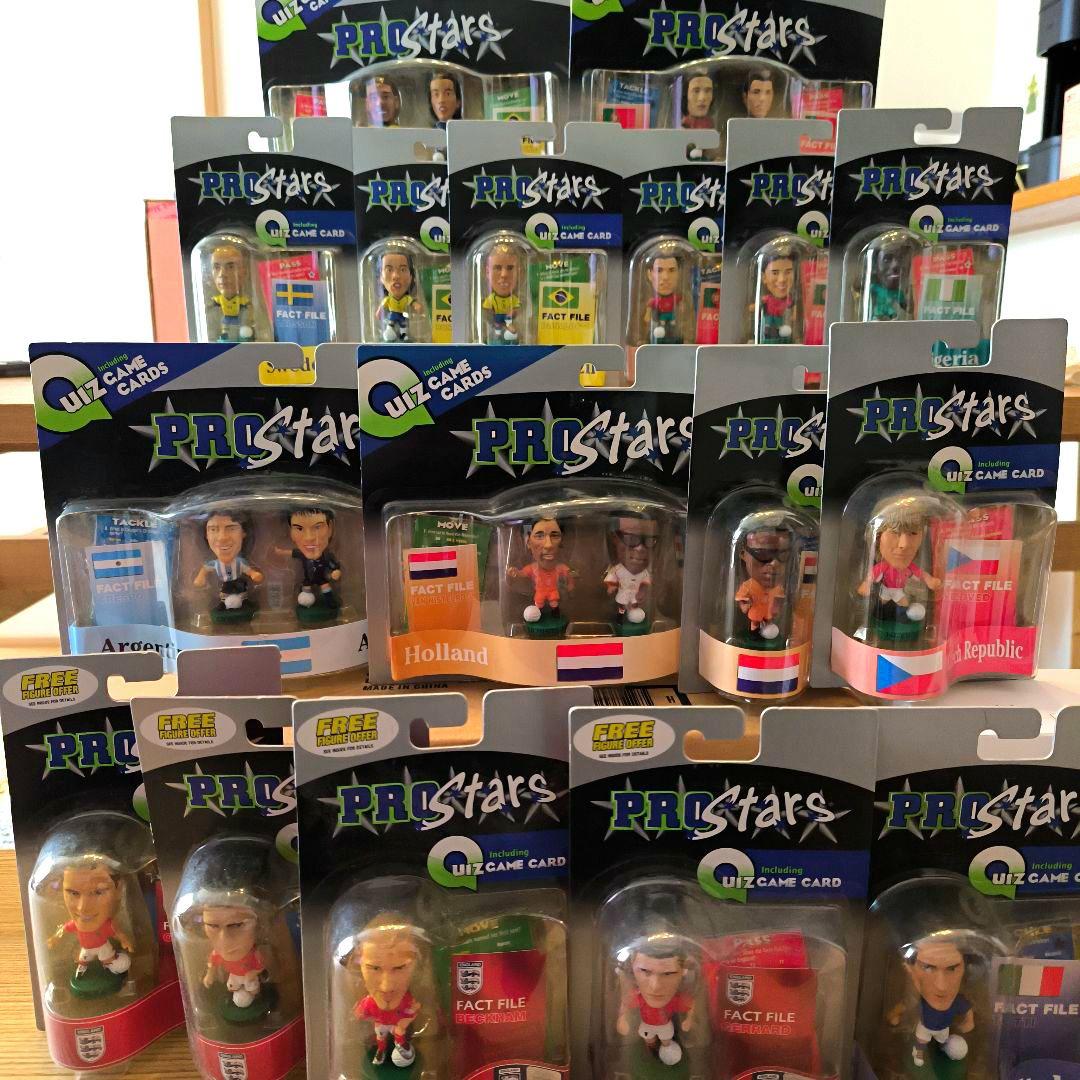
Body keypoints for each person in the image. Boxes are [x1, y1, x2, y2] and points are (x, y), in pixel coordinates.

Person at [889, 935, 974, 1068]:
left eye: (951, 969)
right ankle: (918, 1053)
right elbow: (906, 1005)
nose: (941, 986)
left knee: (943, 1041)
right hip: (926, 1027)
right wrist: (895, 1015)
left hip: (943, 1029)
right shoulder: (921, 998)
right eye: (928, 968)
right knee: (921, 1042)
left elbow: (967, 1009)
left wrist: (969, 1021)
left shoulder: (956, 1000)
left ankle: (942, 1049)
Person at [858, 499, 942, 631]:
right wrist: (866, 584)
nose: (904, 544)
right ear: (878, 537)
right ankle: (880, 620)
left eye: (913, 533)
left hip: (898, 591)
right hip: (885, 590)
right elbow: (873, 574)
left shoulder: (910, 566)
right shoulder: (883, 566)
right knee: (880, 606)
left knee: (903, 606)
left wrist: (929, 580)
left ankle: (901, 621)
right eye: (894, 532)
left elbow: (920, 573)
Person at [353, 916, 423, 1068]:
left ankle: (401, 1047)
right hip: (380, 1027)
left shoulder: (409, 1000)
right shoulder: (367, 1002)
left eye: (400, 968)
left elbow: (414, 1013)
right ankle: (381, 1050)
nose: (386, 987)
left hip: (397, 1027)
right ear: (359, 963)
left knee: (398, 1032)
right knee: (381, 1037)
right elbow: (359, 1016)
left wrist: (406, 1021)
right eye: (374, 968)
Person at [617, 934, 696, 1067]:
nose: (655, 987)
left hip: (665, 1026)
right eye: (644, 971)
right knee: (649, 1040)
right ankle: (652, 1054)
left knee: (666, 1042)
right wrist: (622, 1018)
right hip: (647, 1026)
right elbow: (626, 1002)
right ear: (632, 968)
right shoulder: (639, 997)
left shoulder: (674, 999)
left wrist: (689, 1020)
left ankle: (666, 1056)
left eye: (668, 973)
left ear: (683, 972)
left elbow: (691, 1004)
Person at [49, 862, 134, 983]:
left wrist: (125, 941)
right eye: (74, 893)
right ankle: (81, 971)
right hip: (86, 948)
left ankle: (110, 968)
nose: (82, 908)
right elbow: (63, 929)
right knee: (82, 961)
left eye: (98, 892)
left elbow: (116, 933)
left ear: (118, 889)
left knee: (108, 959)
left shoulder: (105, 925)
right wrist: (54, 938)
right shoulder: (76, 924)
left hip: (102, 946)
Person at [193, 510, 263, 619]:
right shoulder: (215, 563)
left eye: (231, 528)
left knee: (241, 594)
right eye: (213, 529)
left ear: (244, 533)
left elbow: (249, 571)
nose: (222, 538)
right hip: (225, 585)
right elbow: (205, 569)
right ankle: (223, 605)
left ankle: (243, 603)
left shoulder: (239, 562)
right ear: (206, 535)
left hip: (238, 583)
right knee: (225, 595)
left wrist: (254, 574)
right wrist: (200, 577)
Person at [507, 515, 574, 625]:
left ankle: (555, 613)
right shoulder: (533, 568)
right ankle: (538, 615)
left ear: (562, 541)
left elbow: (569, 574)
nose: (548, 545)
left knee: (554, 602)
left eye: (555, 536)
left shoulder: (559, 567)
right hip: (540, 591)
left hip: (553, 591)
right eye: (539, 536)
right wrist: (516, 573)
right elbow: (523, 573)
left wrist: (571, 583)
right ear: (528, 542)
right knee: (538, 603)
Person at [202, 902, 267, 1010]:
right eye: (213, 926)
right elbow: (213, 964)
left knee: (253, 989)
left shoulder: (254, 954)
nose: (225, 940)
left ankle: (257, 998)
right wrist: (210, 974)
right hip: (234, 975)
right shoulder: (218, 953)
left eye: (236, 925)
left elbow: (261, 965)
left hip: (248, 976)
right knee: (232, 987)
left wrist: (252, 973)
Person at [277, 506, 342, 611]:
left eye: (317, 527)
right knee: (305, 592)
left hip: (322, 578)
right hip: (308, 579)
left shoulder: (326, 556)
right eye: (299, 528)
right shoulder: (302, 554)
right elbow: (291, 552)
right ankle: (304, 605)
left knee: (326, 589)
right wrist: (280, 552)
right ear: (290, 532)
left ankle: (331, 604)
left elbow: (334, 566)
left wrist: (336, 572)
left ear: (330, 529)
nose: (309, 537)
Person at [735, 526, 790, 641]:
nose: (774, 563)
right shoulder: (748, 585)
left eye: (783, 555)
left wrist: (776, 608)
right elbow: (741, 598)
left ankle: (765, 635)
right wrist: (745, 606)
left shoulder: (777, 587)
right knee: (755, 623)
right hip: (755, 612)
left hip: (768, 613)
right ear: (743, 554)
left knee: (768, 624)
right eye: (762, 554)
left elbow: (779, 599)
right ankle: (754, 634)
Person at [605, 515, 657, 624]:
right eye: (631, 539)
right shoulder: (618, 569)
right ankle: (620, 617)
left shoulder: (644, 573)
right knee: (622, 605)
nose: (640, 548)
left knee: (634, 605)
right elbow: (612, 578)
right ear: (614, 539)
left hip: (635, 594)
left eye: (650, 540)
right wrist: (611, 586)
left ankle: (633, 618)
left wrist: (643, 590)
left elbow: (646, 583)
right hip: (623, 592)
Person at [207, 243, 255, 342]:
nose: (222, 274)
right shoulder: (211, 307)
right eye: (216, 267)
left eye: (231, 267)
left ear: (244, 272)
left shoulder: (248, 306)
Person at [377, 250, 424, 342]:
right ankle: (389, 333)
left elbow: (413, 303)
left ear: (411, 277)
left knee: (403, 324)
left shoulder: (406, 298)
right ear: (381, 278)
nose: (396, 276)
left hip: (403, 314)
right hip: (392, 314)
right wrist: (379, 311)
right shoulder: (387, 299)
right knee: (390, 324)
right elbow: (382, 307)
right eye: (389, 270)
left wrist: (417, 306)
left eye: (403, 270)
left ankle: (403, 335)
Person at [756, 247, 797, 343]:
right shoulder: (766, 299)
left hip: (783, 326)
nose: (782, 279)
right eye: (775, 273)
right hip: (767, 328)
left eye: (788, 272)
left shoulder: (789, 301)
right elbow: (755, 307)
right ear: (764, 277)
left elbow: (794, 313)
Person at [483, 242, 521, 344]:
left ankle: (507, 334)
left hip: (508, 320)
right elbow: (486, 310)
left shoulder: (514, 299)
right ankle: (497, 334)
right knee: (497, 330)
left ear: (519, 272)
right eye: (497, 268)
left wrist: (512, 313)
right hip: (496, 320)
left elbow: (517, 308)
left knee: (511, 333)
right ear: (487, 272)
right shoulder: (491, 299)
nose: (504, 274)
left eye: (510, 268)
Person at [644, 253, 683, 344]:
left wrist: (682, 309)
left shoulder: (675, 298)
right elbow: (649, 310)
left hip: (671, 319)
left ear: (679, 274)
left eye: (672, 270)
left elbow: (681, 306)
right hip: (660, 322)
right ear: (649, 274)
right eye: (659, 270)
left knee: (672, 328)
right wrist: (647, 315)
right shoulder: (654, 300)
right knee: (660, 329)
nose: (666, 277)